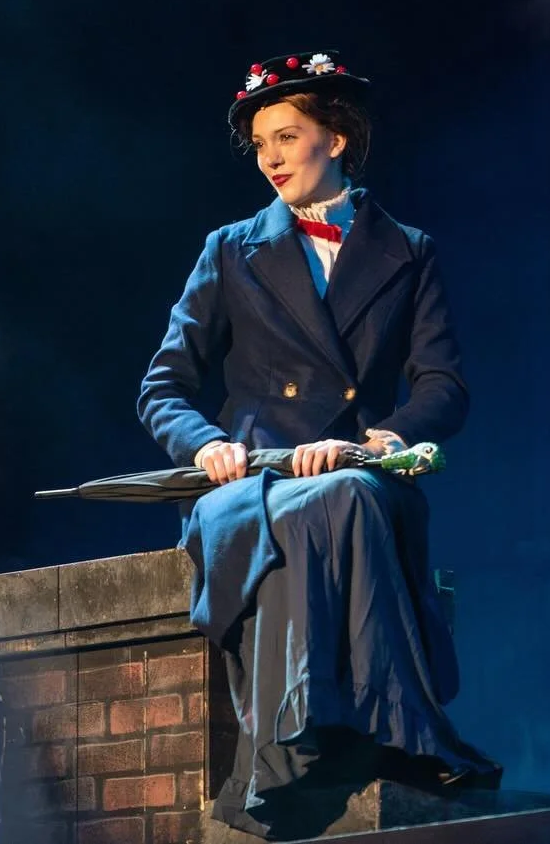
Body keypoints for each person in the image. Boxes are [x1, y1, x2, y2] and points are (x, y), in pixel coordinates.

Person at [137, 50, 498, 834]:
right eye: (260, 142)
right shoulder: (230, 248)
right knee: (338, 501)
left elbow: (444, 385)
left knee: (354, 491)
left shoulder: (408, 249)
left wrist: (385, 436)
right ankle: (358, 734)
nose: (268, 156)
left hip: (361, 466)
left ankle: (352, 732)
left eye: (287, 135)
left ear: (335, 138)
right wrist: (206, 448)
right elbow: (161, 387)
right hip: (256, 481)